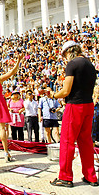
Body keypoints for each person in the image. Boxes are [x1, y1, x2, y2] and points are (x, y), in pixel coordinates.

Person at [50, 40, 98, 187]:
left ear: (69, 51)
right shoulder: (89, 64)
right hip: (88, 105)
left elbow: (66, 91)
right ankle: (91, 176)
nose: (64, 58)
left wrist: (53, 95)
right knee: (86, 142)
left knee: (67, 142)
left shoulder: (72, 64)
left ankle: (65, 177)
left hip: (75, 106)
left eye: (64, 54)